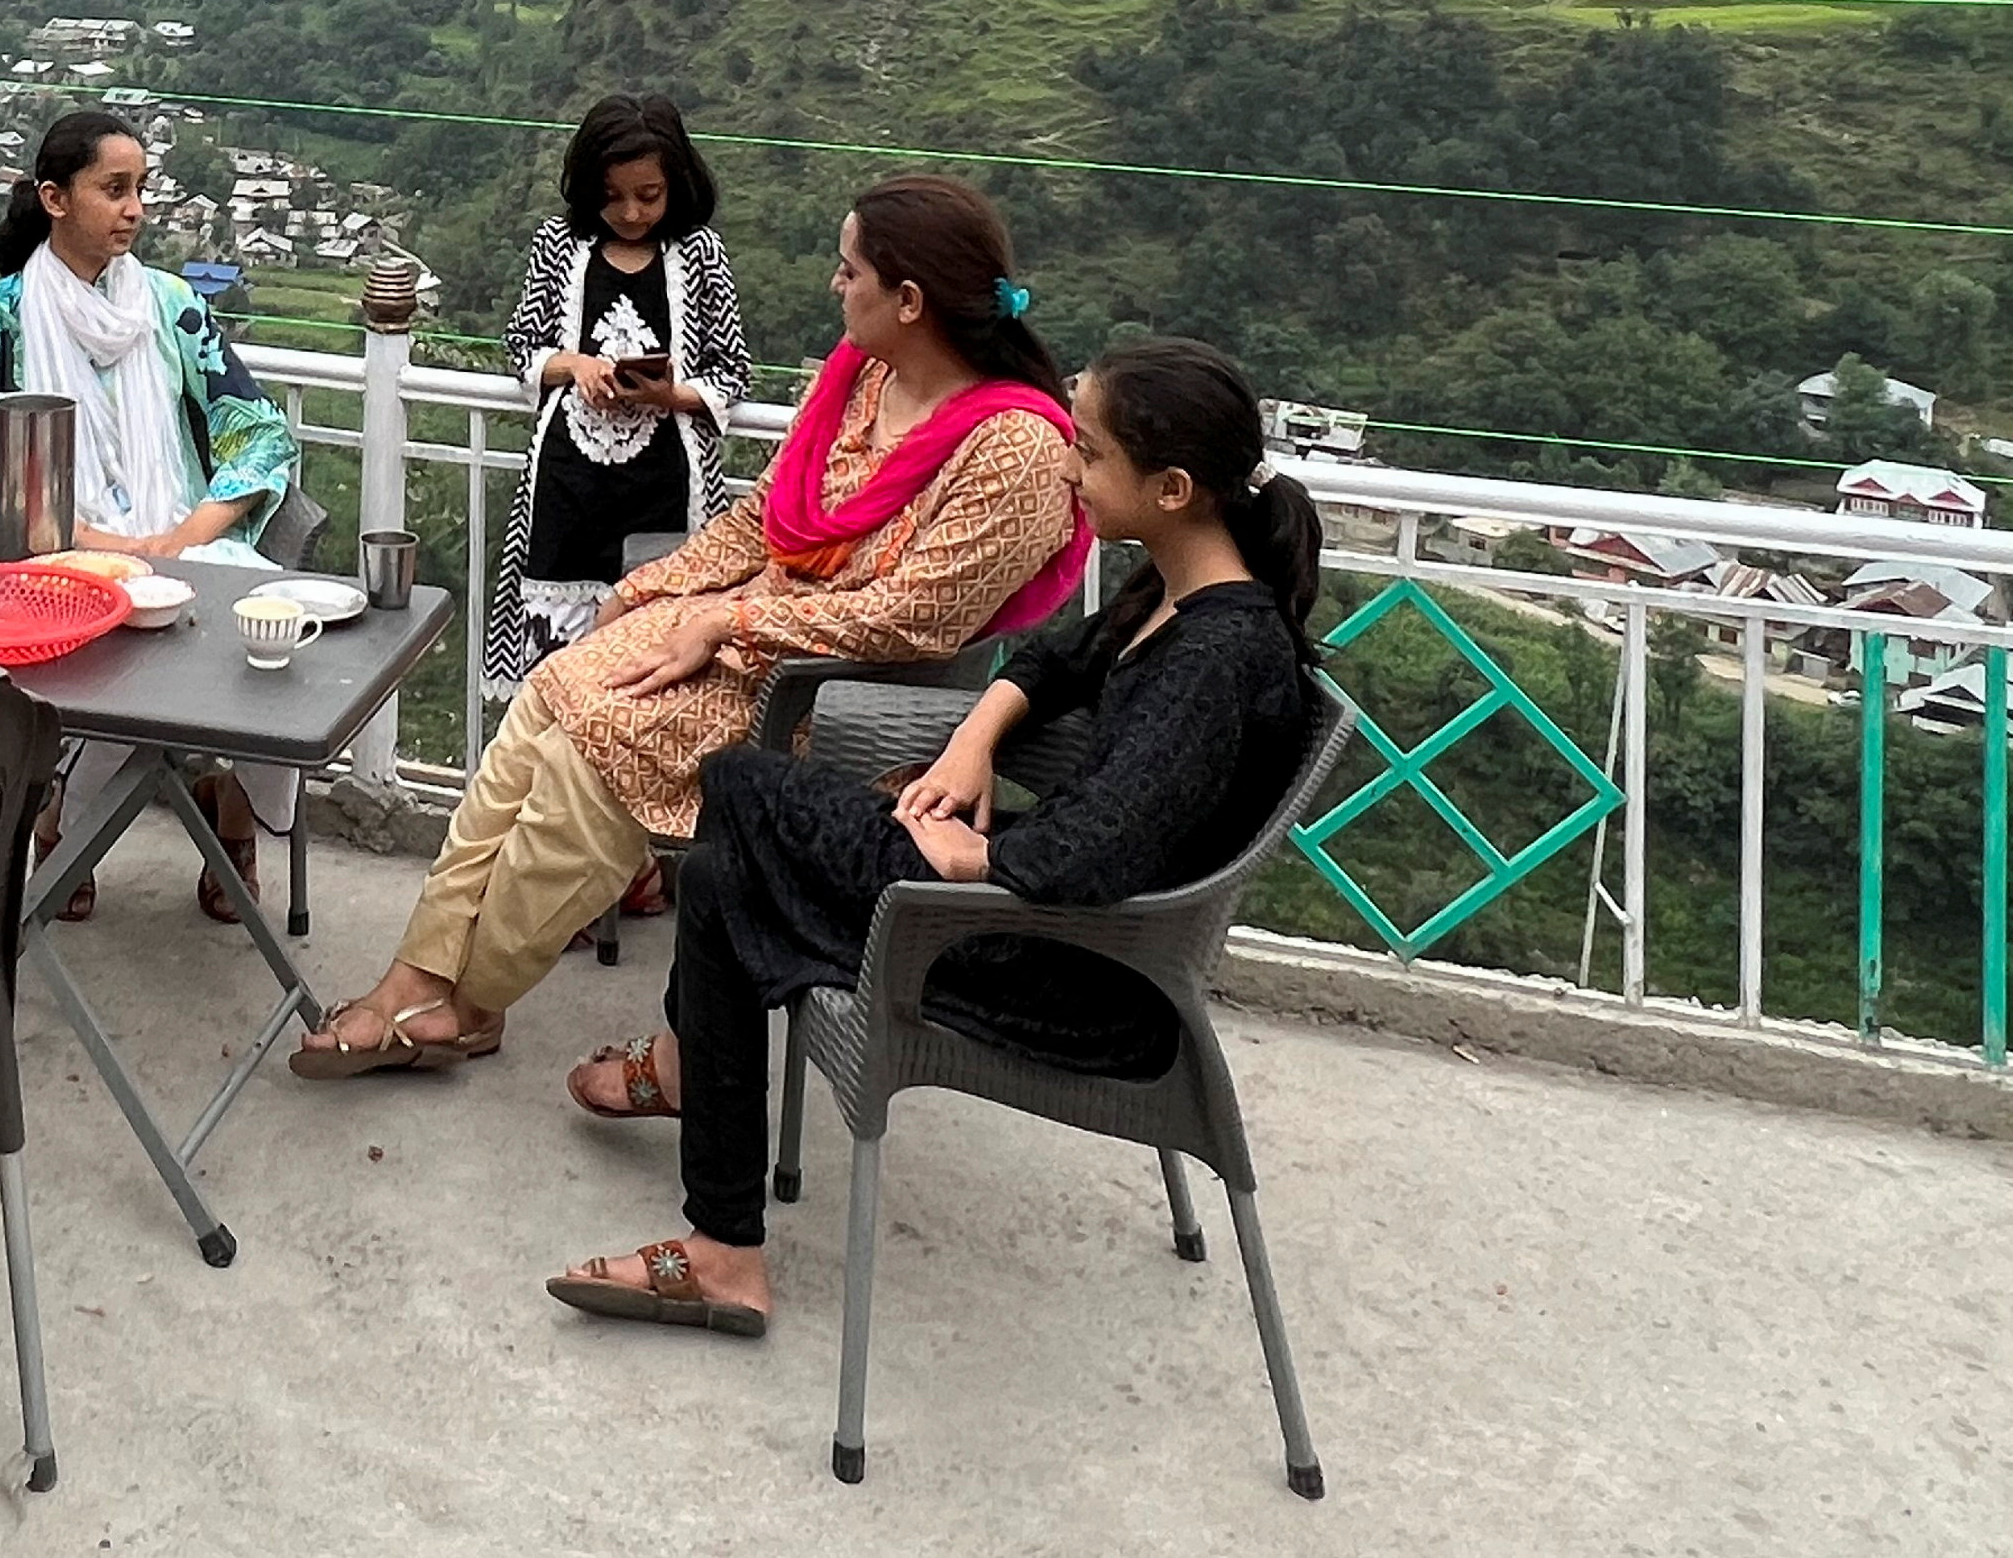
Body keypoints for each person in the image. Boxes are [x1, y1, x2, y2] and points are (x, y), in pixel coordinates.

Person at [543, 337, 1323, 1333]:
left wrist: (985, 855)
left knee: (736, 788)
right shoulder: (1176, 595)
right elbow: (1053, 661)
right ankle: (723, 1244)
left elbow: (1096, 849)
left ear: (1171, 488)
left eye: (1088, 453)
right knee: (719, 883)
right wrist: (974, 737)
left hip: (1058, 964)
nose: (1068, 470)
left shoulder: (1215, 659)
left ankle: (698, 1116)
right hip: (1029, 918)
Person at [294, 174, 1086, 1077]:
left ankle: (471, 1004)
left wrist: (727, 623)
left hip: (833, 693)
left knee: (589, 756)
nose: (835, 284)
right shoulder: (863, 380)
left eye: (850, 269)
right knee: (546, 702)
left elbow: (913, 620)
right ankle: (417, 975)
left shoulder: (1015, 448)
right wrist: (651, 590)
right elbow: (763, 521)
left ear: (909, 301)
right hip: (755, 635)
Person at [0, 107, 305, 922]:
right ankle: (67, 825)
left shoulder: (171, 305)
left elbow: (261, 431)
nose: (136, 210)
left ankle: (233, 820)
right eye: (115, 190)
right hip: (54, 554)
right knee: (108, 638)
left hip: (181, 543)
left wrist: (185, 538)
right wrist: (83, 537)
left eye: (141, 190)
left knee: (271, 649)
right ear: (55, 199)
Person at [491, 92, 754, 700]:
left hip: (669, 486)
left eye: (648, 195)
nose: (631, 212)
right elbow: (521, 346)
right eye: (612, 196)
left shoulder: (701, 254)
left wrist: (669, 395)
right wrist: (576, 365)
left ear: (676, 185)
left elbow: (732, 371)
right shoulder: (559, 245)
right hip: (567, 485)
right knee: (557, 661)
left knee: (654, 651)